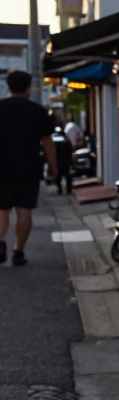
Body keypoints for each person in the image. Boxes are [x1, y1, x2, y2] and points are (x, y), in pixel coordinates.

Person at [0, 70, 57, 266]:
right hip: (29, 167)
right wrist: (53, 166)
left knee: (2, 209)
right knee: (25, 211)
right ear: (28, 87)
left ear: (8, 87)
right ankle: (18, 251)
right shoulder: (37, 111)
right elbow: (48, 141)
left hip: (1, 168)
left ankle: (0, 242)